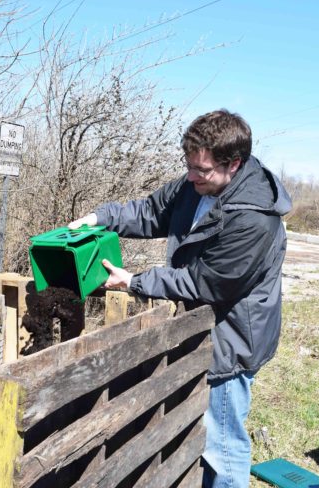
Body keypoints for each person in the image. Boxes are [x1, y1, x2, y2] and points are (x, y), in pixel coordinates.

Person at [68, 109, 292, 488]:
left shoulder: (255, 218)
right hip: (205, 327)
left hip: (232, 338)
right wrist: (100, 217)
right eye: (188, 166)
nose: (190, 177)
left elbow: (208, 283)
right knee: (197, 427)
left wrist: (136, 281)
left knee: (222, 444)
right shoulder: (199, 182)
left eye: (200, 170)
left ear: (233, 164)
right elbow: (151, 212)